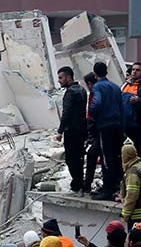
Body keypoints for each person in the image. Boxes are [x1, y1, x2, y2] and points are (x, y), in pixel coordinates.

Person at [89, 62, 124, 201]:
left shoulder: (98, 86)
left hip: (105, 125)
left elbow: (96, 104)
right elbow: (121, 107)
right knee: (116, 156)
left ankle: (107, 189)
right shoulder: (116, 87)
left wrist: (92, 113)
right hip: (117, 125)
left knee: (106, 158)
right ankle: (116, 185)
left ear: (94, 74)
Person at [55, 66, 88, 194]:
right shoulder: (82, 90)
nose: (59, 80)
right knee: (79, 157)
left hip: (72, 131)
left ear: (68, 77)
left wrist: (60, 131)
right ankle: (80, 181)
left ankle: (77, 182)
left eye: (60, 77)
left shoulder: (70, 92)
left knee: (71, 158)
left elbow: (66, 113)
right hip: (82, 129)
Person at [121, 62, 141, 163]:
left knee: (139, 153)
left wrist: (139, 101)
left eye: (137, 70)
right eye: (133, 70)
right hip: (126, 126)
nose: (134, 72)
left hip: (139, 126)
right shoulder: (125, 86)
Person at [120, 144, 141, 228]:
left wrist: (125, 214)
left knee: (135, 239)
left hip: (137, 215)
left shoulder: (133, 171)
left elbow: (132, 195)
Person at [83, 72, 101, 194]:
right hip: (99, 132)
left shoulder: (96, 93)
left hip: (100, 131)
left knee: (92, 155)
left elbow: (92, 113)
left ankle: (87, 184)